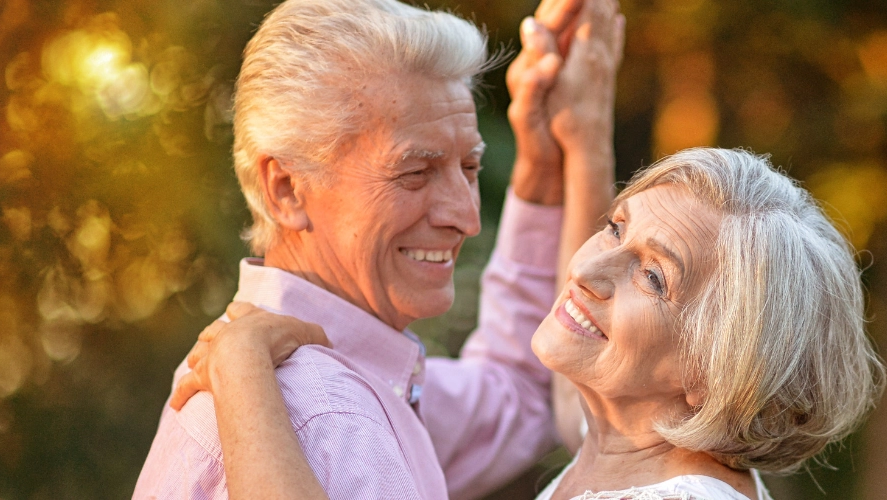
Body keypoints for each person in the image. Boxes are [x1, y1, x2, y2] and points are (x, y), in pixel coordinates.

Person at [176, 148, 887, 499]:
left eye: (652, 276)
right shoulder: (622, 454)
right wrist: (576, 136)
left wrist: (242, 370)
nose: (586, 270)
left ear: (718, 370)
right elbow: (559, 407)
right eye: (615, 227)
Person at [132, 0, 623, 497]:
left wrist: (549, 164)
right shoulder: (326, 413)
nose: (467, 218)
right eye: (415, 173)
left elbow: (518, 392)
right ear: (286, 189)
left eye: (469, 168)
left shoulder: (336, 378)